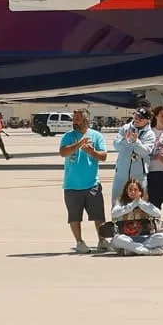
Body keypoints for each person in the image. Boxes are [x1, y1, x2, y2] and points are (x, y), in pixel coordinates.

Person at [58, 108, 109, 254]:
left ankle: (102, 240)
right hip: (72, 184)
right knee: (74, 216)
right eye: (74, 119)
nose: (75, 122)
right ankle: (79, 242)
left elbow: (103, 156)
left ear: (86, 120)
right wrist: (78, 145)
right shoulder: (68, 136)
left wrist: (92, 152)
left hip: (92, 183)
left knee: (98, 216)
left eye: (78, 119)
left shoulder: (97, 136)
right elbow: (63, 152)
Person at [108, 179, 163, 256]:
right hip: (127, 238)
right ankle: (148, 251)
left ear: (140, 192)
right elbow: (114, 214)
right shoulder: (121, 202)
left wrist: (140, 203)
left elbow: (157, 213)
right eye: (130, 190)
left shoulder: (145, 203)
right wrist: (132, 205)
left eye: (135, 190)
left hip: (145, 238)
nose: (133, 192)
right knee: (116, 240)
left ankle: (131, 251)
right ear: (126, 191)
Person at [112, 107, 155, 202]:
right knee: (117, 202)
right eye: (136, 116)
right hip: (121, 173)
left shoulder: (150, 134)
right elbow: (116, 145)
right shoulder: (125, 128)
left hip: (139, 175)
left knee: (139, 204)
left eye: (140, 118)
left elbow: (145, 151)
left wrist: (136, 142)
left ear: (148, 120)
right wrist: (124, 140)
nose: (137, 119)